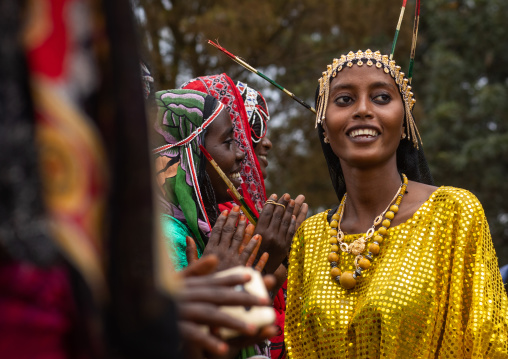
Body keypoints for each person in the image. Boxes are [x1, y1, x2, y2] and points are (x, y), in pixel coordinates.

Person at [284, 50, 508, 358]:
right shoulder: (308, 239)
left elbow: (486, 344)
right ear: (324, 127)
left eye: (380, 97)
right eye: (344, 100)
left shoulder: (453, 212)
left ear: (404, 121)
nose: (362, 110)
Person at [182, 75, 307, 359]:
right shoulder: (209, 223)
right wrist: (265, 260)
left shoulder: (241, 213)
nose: (265, 143)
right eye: (252, 127)